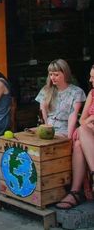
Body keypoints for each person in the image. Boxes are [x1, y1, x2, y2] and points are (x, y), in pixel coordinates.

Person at [56, 66, 94, 209]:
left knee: (79, 140)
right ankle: (76, 191)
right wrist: (89, 121)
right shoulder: (92, 93)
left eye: (93, 77)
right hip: (90, 133)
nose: (90, 80)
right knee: (81, 135)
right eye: (91, 77)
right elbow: (82, 120)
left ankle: (75, 192)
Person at [35, 59, 85, 138]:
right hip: (47, 127)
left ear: (65, 74)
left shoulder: (77, 92)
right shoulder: (45, 90)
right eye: (50, 74)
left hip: (65, 129)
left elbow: (73, 116)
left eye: (56, 74)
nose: (52, 77)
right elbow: (42, 113)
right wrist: (46, 129)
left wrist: (69, 137)